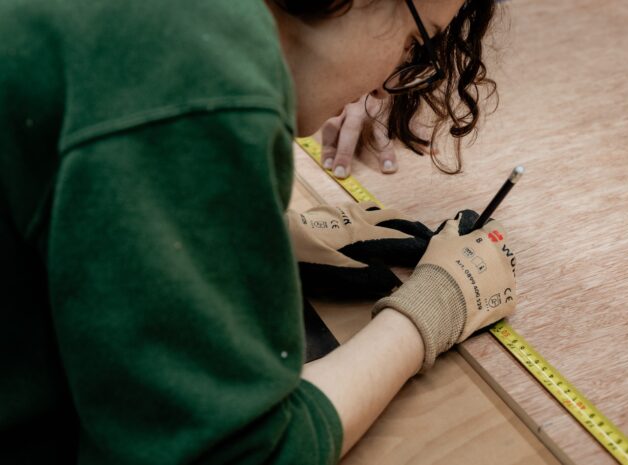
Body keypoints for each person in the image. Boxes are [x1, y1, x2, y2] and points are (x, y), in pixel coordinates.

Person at [0, 0, 515, 463]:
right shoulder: (199, 73)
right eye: (414, 42)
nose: (384, 85)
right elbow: (237, 452)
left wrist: (253, 228)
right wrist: (428, 311)